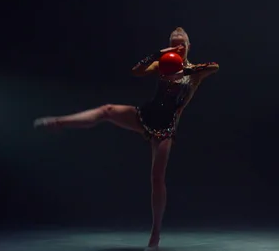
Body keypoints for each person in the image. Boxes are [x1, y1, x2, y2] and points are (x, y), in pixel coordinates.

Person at [33, 27, 219, 250]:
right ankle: (59, 122)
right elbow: (137, 70)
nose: (178, 47)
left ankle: (155, 234)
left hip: (166, 128)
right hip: (145, 115)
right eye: (174, 43)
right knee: (107, 110)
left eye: (182, 44)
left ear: (189, 46)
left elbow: (214, 67)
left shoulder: (195, 72)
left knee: (157, 178)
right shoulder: (162, 64)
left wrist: (183, 71)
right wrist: (159, 54)